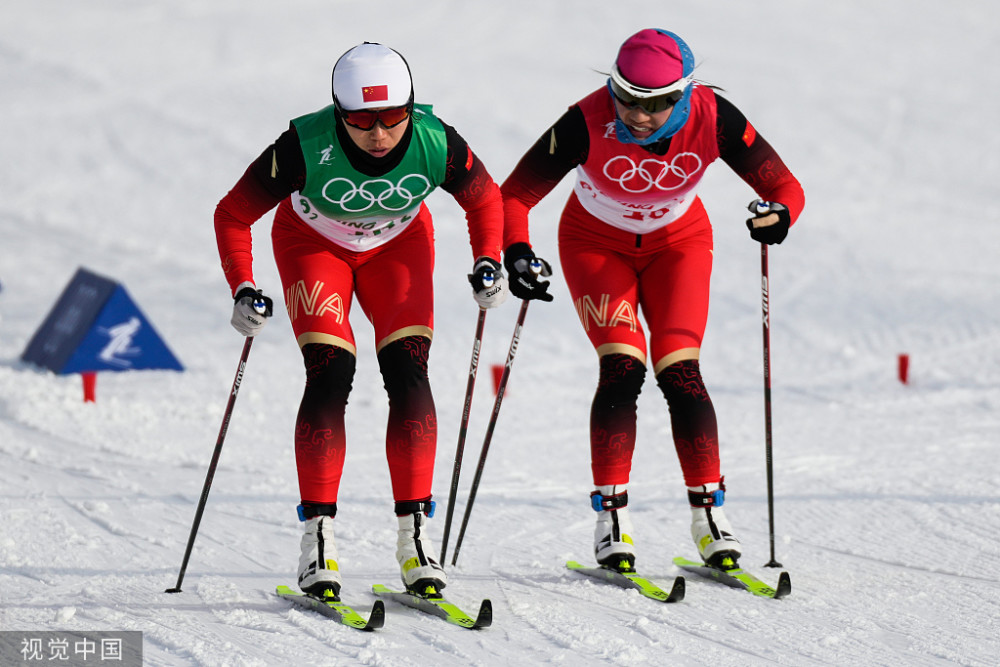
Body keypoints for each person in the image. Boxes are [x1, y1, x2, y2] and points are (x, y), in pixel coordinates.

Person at [500, 28, 805, 572]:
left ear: (684, 94)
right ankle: (611, 518)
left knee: (681, 373)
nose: (639, 116)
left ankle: (710, 517)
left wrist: (778, 216)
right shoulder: (585, 120)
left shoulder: (716, 118)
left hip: (679, 247)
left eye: (658, 104)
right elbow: (515, 194)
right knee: (622, 368)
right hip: (595, 245)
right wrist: (517, 252)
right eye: (627, 100)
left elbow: (786, 188)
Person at [214, 42, 511, 598]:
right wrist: (244, 287)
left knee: (408, 372)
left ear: (412, 107)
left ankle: (414, 537)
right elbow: (232, 213)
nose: (378, 133)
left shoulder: (436, 140)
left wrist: (488, 258)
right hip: (313, 243)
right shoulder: (302, 146)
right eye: (360, 120)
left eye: (393, 117)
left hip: (397, 246)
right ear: (337, 112)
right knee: (330, 372)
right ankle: (317, 539)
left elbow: (485, 198)